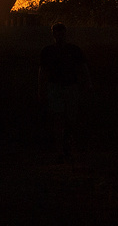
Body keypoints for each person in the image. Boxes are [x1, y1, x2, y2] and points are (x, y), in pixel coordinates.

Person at [39, 23, 89, 160]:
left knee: (66, 118)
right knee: (61, 118)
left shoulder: (68, 50)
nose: (59, 35)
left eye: (60, 32)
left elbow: (83, 68)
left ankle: (63, 147)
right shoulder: (65, 50)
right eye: (57, 32)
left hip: (66, 86)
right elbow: (43, 71)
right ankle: (63, 148)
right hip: (59, 86)